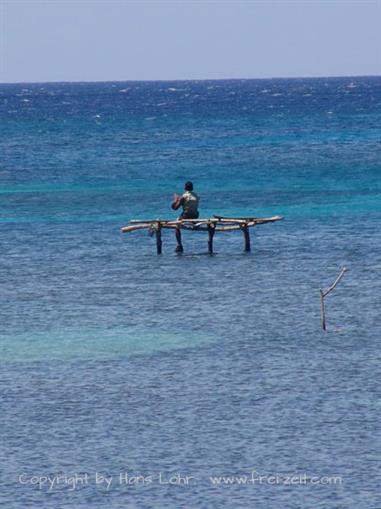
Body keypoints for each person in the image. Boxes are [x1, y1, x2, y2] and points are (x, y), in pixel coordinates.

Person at [171, 181, 200, 252]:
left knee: (176, 226)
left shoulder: (183, 196)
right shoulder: (196, 196)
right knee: (194, 212)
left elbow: (174, 208)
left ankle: (179, 245)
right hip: (195, 216)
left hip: (186, 216)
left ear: (185, 188)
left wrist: (175, 200)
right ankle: (194, 224)